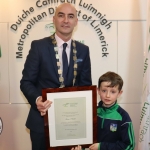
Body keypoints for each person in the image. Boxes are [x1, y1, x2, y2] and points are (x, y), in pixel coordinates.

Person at [20, 3, 92, 150]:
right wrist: (37, 100)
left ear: (76, 22)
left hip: (71, 124)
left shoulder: (83, 50)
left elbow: (85, 87)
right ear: (54, 20)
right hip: (41, 122)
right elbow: (26, 82)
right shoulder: (38, 47)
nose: (66, 20)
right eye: (61, 15)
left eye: (70, 16)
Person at [71, 71, 135, 150]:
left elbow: (129, 146)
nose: (107, 95)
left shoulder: (123, 117)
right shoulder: (92, 112)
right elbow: (85, 137)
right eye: (104, 91)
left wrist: (102, 146)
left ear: (119, 93)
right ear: (98, 91)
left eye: (113, 92)